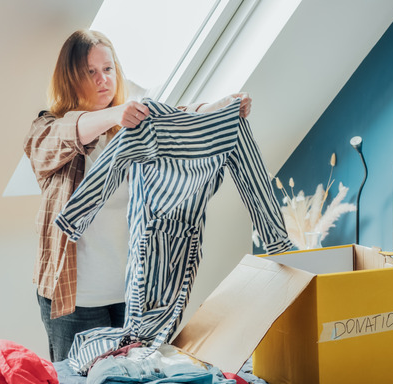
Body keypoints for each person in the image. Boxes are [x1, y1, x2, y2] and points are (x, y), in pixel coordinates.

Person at [24, 29, 253, 362]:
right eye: (91, 72)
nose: (103, 80)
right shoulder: (47, 128)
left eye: (108, 69)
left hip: (135, 297)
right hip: (75, 300)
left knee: (136, 382)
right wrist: (115, 114)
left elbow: (177, 117)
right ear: (71, 78)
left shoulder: (134, 131)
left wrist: (218, 108)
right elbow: (62, 134)